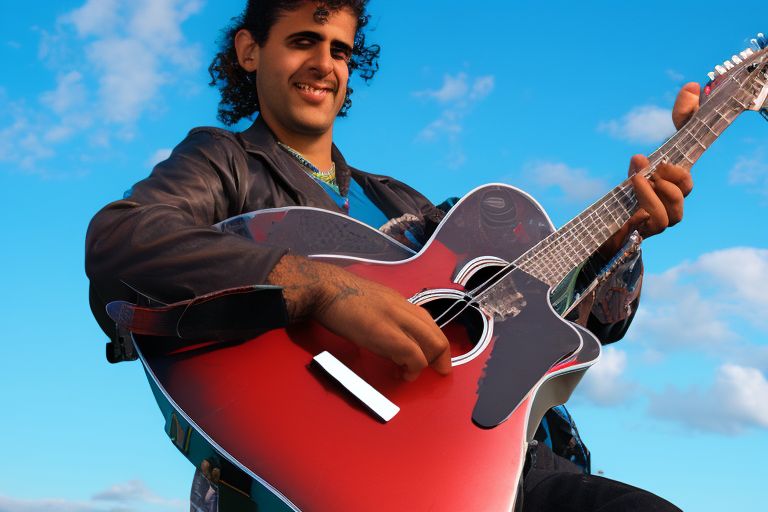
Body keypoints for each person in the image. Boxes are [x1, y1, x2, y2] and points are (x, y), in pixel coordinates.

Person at [85, 1, 697, 510]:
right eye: (303, 40)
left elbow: (578, 325)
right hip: (311, 471)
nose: (324, 64)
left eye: (340, 49)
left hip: (490, 461)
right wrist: (320, 288)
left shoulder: (407, 204)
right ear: (249, 51)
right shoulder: (224, 161)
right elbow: (124, 240)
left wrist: (618, 244)